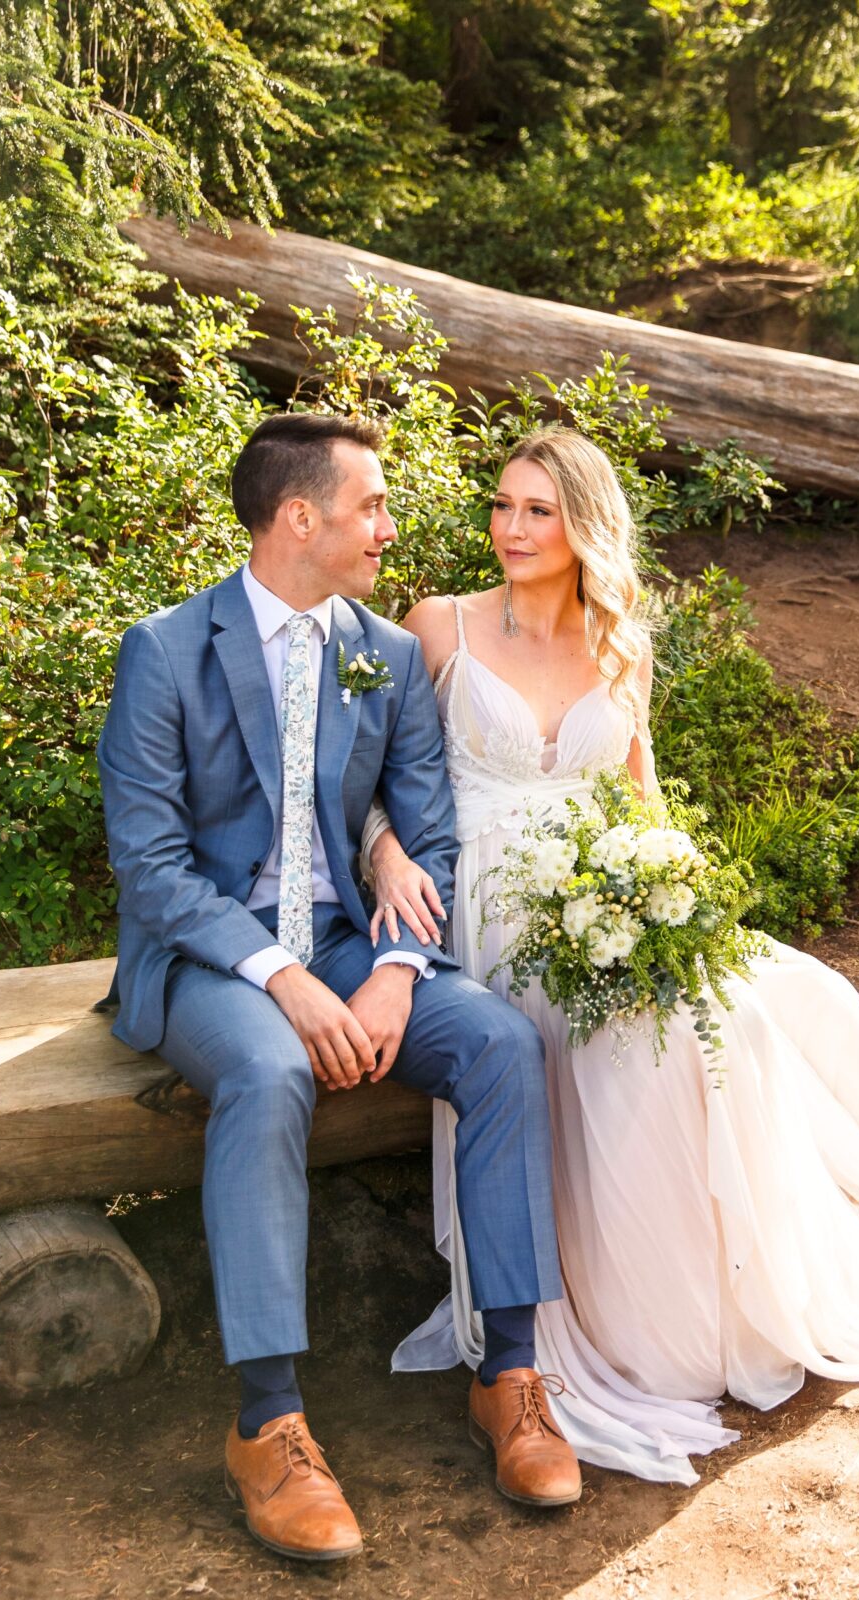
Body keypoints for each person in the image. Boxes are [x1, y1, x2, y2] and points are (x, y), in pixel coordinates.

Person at [364, 424, 859, 1486]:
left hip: (605, 888)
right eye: (501, 505)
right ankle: (624, 1329)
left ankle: (737, 1299)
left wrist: (676, 904)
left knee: (755, 1005)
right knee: (624, 1040)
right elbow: (375, 786)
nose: (511, 528)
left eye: (537, 509)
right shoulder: (437, 627)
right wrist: (390, 855)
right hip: (481, 896)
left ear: (583, 525)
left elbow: (641, 800)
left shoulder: (617, 641)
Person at [97, 413, 583, 1564]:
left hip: (348, 941)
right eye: (370, 505)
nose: (389, 526)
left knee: (502, 1042)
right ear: (297, 517)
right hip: (213, 958)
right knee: (269, 1070)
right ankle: (268, 1422)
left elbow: (428, 833)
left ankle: (506, 1373)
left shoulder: (385, 651)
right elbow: (150, 865)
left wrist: (399, 972)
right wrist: (281, 980)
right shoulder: (165, 649)